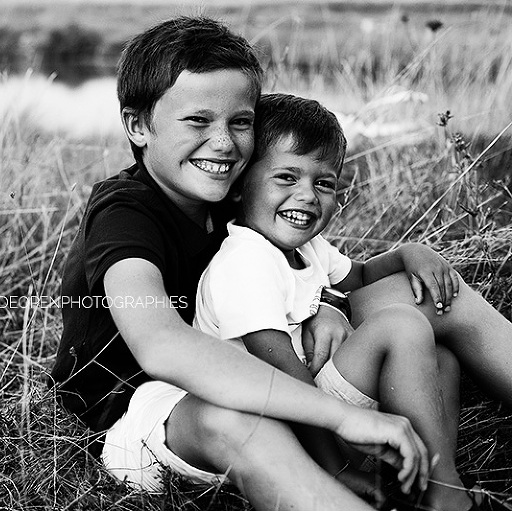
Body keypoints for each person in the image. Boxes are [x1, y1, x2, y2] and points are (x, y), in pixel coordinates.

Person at [50, 16, 434, 510]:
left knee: (418, 297)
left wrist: (326, 305)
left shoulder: (229, 193)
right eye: (197, 120)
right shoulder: (124, 213)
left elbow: (302, 274)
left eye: (241, 121)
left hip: (239, 367)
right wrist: (337, 416)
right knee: (238, 419)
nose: (225, 143)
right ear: (138, 125)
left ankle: (442, 495)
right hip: (142, 407)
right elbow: (161, 344)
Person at [193, 93, 490, 511]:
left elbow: (362, 277)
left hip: (315, 402)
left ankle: (425, 477)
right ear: (240, 187)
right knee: (401, 325)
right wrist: (335, 469)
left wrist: (409, 253)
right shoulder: (244, 261)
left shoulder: (307, 247)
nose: (308, 195)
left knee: (443, 358)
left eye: (324, 183)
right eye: (286, 178)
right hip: (278, 420)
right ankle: (444, 494)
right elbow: (277, 370)